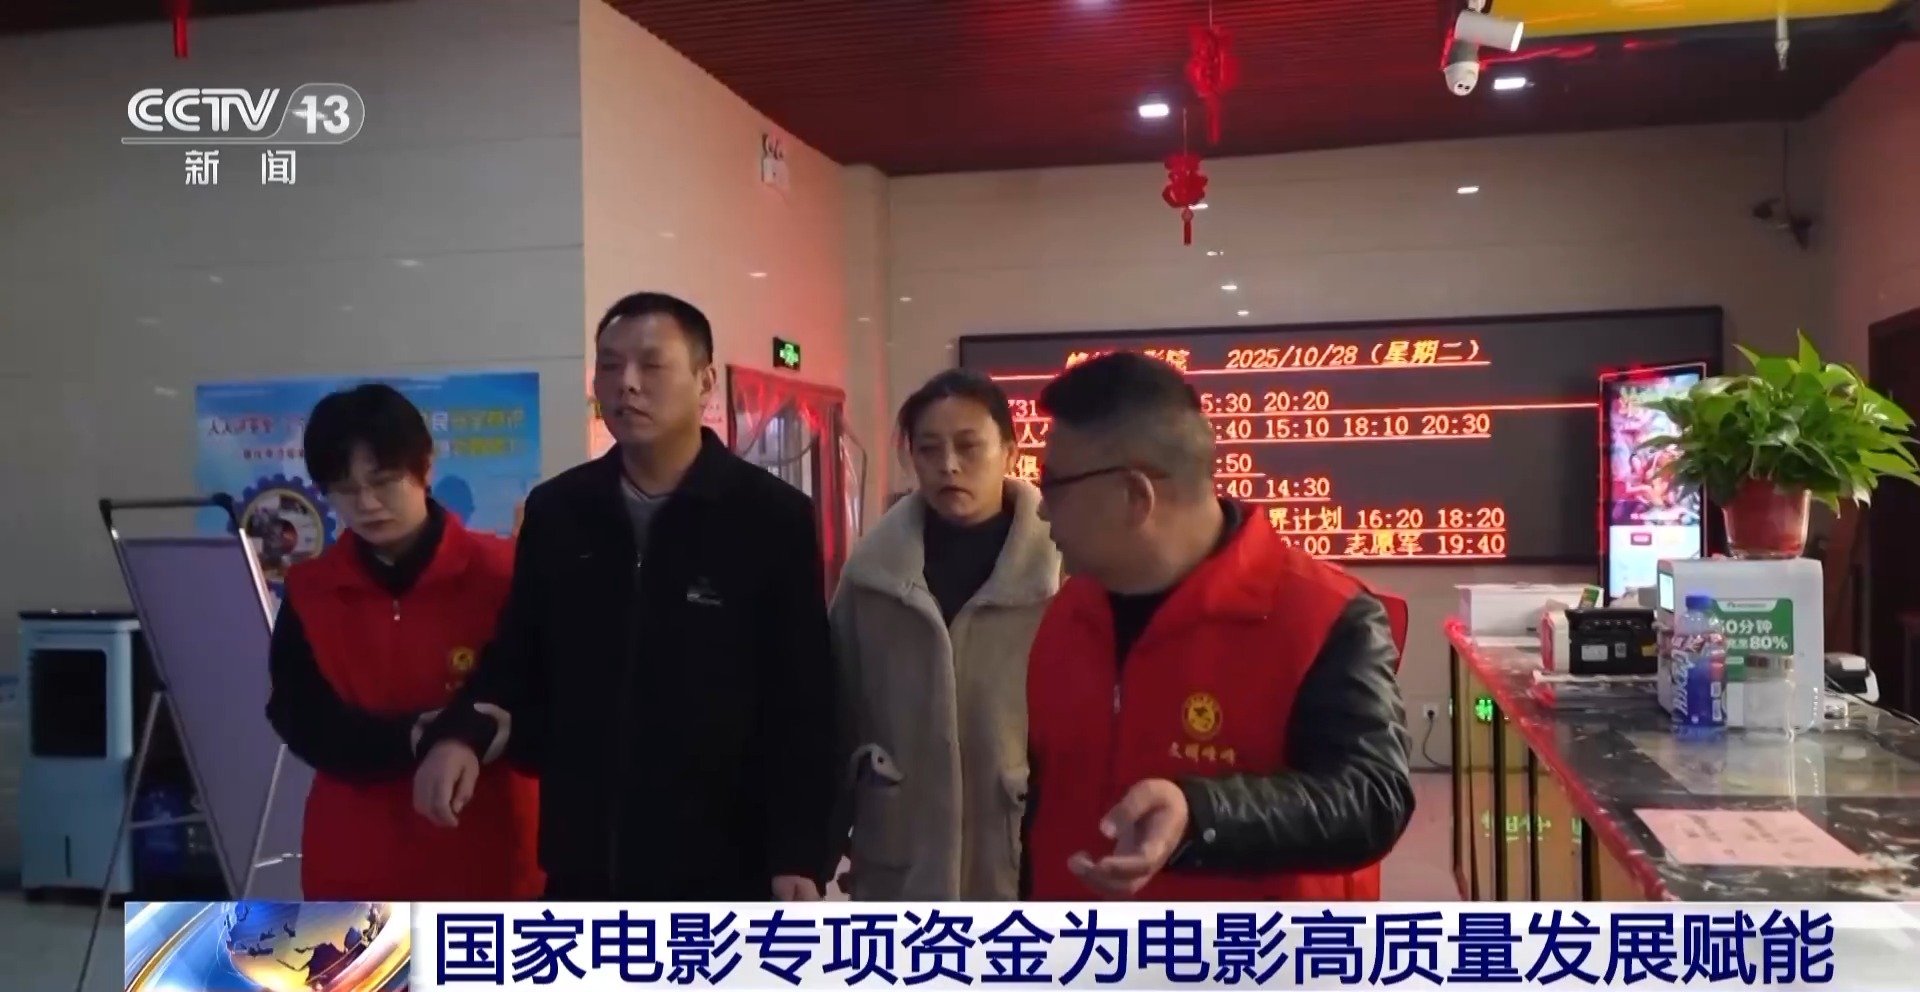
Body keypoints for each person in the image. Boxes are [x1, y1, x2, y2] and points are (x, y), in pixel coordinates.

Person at [411, 292, 840, 901]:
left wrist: (799, 852)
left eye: (651, 364)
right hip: (585, 858)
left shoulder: (769, 517)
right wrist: (459, 734)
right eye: (610, 366)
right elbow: (517, 658)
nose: (627, 384)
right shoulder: (560, 511)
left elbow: (802, 698)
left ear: (705, 381)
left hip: (724, 865)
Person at [1019, 352, 1414, 901]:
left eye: (1053, 485)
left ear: (1134, 496)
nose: (1041, 511)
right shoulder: (1068, 615)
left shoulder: (1324, 616)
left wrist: (1201, 815)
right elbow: (1047, 803)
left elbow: (1372, 798)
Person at [265, 383, 540, 900]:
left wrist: (467, 735)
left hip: (490, 854)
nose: (367, 504)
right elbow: (298, 714)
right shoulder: (310, 590)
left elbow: (543, 697)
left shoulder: (504, 574)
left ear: (426, 467)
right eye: (345, 489)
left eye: (385, 482)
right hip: (354, 857)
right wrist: (410, 739)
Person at [830, 370, 1061, 900]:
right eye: (928, 449)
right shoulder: (872, 577)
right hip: (901, 854)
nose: (948, 465)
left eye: (968, 446)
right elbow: (835, 713)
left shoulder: (1062, 569)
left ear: (1009, 451)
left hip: (1025, 850)